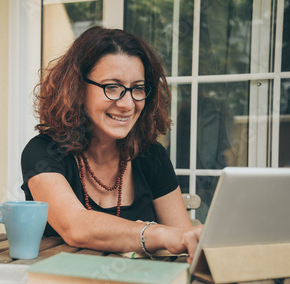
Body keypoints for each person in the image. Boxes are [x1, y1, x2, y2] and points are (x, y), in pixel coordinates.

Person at [21, 26, 203, 263]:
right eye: (112, 87)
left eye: (137, 88)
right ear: (77, 88)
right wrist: (156, 233)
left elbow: (184, 239)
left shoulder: (152, 156)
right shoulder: (43, 152)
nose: (127, 104)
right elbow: (75, 226)